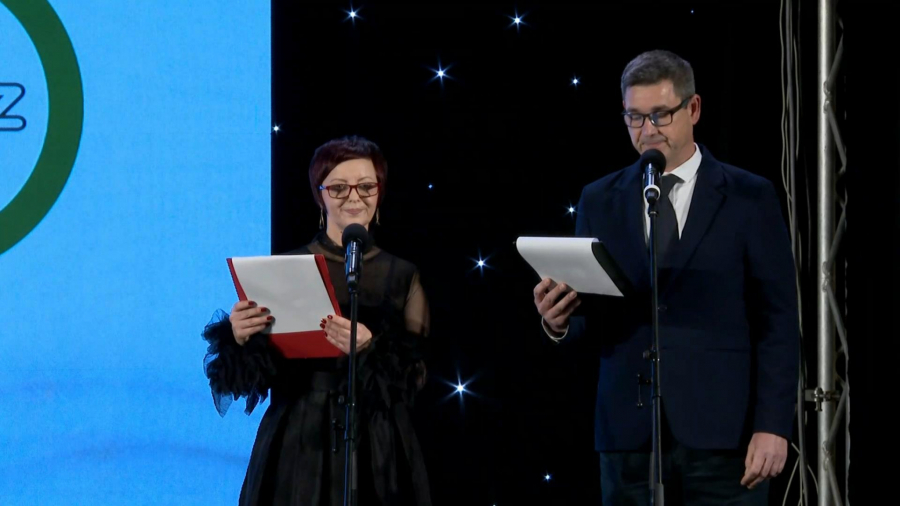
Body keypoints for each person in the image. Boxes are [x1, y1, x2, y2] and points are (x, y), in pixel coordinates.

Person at [532, 50, 800, 504]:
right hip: (628, 438)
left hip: (725, 440)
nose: (647, 130)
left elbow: (778, 321)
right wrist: (558, 321)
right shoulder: (599, 199)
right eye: (634, 117)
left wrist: (773, 425)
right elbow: (592, 319)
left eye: (660, 114)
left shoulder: (749, 197)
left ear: (693, 108)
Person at [201, 135, 432, 505]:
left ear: (380, 192)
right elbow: (253, 377)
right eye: (338, 188)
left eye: (366, 186)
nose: (354, 197)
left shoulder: (403, 275)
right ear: (319, 195)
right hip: (299, 438)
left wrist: (370, 347)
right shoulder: (284, 268)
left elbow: (417, 375)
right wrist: (241, 338)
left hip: (377, 442)